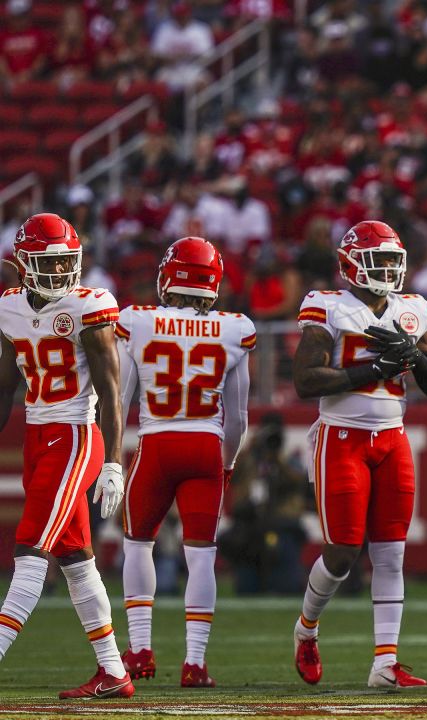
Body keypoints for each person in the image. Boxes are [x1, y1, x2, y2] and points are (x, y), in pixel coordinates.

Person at [291, 221, 427, 688]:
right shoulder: (330, 308)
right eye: (377, 260)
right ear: (350, 265)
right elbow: (306, 380)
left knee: (391, 554)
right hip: (342, 436)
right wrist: (371, 370)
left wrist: (415, 357)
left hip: (393, 438)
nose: (386, 269)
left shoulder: (413, 309)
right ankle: (307, 629)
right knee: (342, 552)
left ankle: (385, 662)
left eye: (391, 260)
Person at [0, 214, 132, 699]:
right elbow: (4, 389)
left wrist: (114, 461)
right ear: (22, 266)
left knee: (30, 552)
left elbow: (111, 393)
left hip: (75, 435)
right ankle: (115, 672)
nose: (59, 273)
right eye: (47, 263)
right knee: (76, 559)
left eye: (64, 262)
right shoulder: (9, 308)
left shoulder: (89, 305)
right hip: (36, 438)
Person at [116, 237, 255, 688]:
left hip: (156, 445)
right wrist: (228, 461)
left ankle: (139, 651)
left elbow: (119, 400)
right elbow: (237, 417)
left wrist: (111, 459)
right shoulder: (234, 329)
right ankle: (195, 663)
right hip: (204, 447)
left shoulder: (137, 321)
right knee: (201, 557)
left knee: (138, 544)